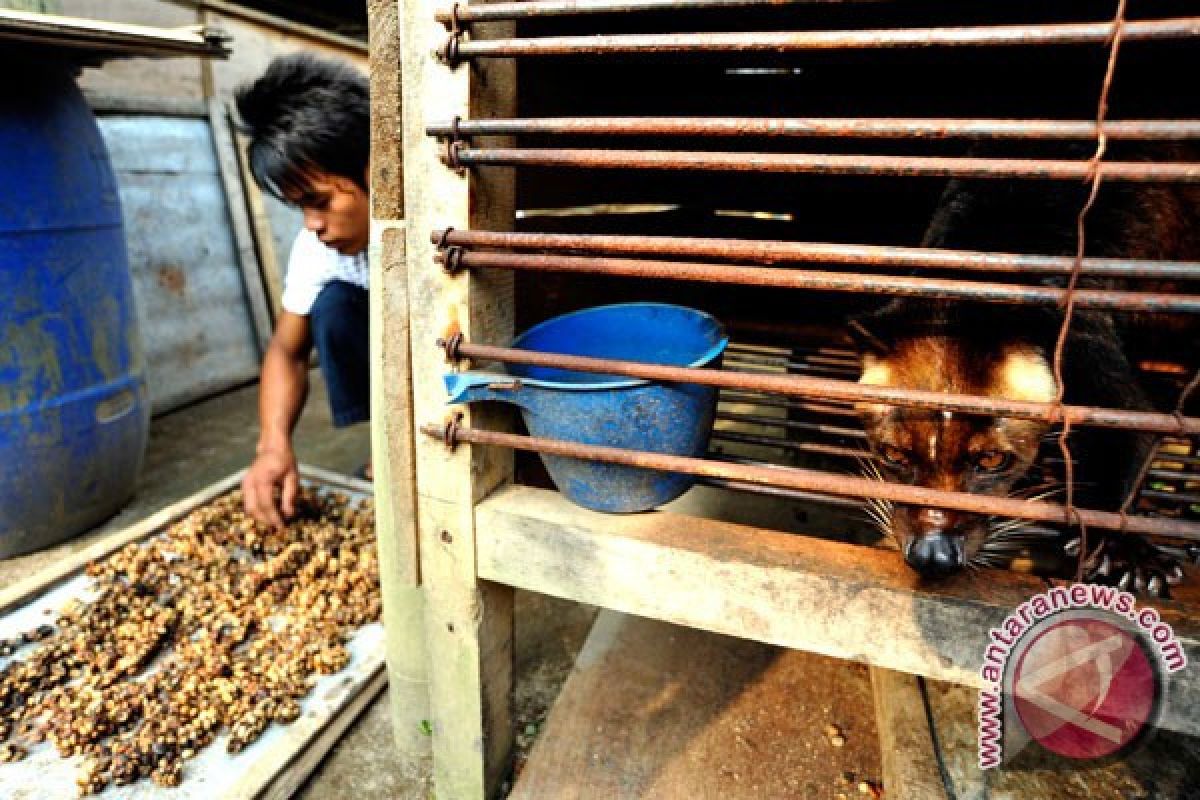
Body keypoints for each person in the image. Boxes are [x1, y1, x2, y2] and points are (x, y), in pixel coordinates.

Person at [234, 53, 371, 529]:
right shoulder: (316, 249)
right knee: (332, 307)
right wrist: (272, 444)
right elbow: (286, 352)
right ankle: (393, 443)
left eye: (321, 202)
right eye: (300, 208)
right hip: (389, 359)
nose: (313, 225)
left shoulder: (442, 219)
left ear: (377, 171)